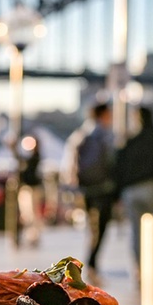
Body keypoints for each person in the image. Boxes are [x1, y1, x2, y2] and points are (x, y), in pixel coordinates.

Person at [115, 106, 153, 267]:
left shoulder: (130, 140)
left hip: (131, 191)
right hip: (151, 189)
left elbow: (119, 164)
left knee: (137, 233)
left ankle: (140, 269)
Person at [63, 103, 115, 279]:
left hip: (86, 188)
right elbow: (112, 161)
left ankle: (91, 260)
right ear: (104, 115)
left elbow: (70, 162)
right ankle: (93, 260)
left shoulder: (80, 134)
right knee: (101, 227)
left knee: (92, 227)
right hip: (104, 187)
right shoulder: (105, 135)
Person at [17, 135, 44, 247]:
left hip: (33, 189)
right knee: (27, 213)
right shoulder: (31, 157)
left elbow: (26, 165)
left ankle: (34, 236)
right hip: (27, 188)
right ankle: (30, 235)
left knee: (33, 213)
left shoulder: (36, 157)